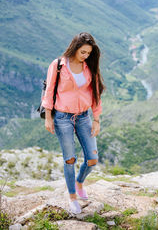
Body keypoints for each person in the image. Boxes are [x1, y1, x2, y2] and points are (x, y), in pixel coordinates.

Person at [41, 32, 105, 214]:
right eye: (83, 52)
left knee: (92, 159)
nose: (86, 56)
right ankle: (72, 197)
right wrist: (48, 117)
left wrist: (97, 119)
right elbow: (50, 90)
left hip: (84, 117)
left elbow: (96, 94)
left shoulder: (89, 67)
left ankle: (79, 182)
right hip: (63, 118)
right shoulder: (59, 65)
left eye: (89, 53)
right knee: (70, 159)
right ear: (75, 48)